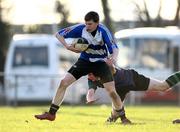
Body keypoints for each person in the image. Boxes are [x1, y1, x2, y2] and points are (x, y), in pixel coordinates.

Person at [34, 11, 124, 122]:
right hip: (84, 61)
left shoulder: (103, 31)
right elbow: (58, 34)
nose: (87, 26)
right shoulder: (80, 28)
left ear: (97, 23)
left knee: (111, 92)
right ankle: (51, 114)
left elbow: (115, 47)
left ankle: (122, 117)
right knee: (63, 82)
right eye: (86, 23)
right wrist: (67, 46)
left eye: (90, 24)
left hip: (100, 63)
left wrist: (113, 58)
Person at [86, 65, 180, 123]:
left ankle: (113, 118)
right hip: (120, 89)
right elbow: (90, 91)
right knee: (115, 103)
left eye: (90, 74)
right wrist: (90, 98)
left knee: (163, 87)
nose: (89, 77)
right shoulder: (91, 79)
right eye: (88, 74)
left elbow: (112, 69)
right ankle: (114, 118)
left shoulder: (106, 71)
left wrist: (110, 63)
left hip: (132, 78)